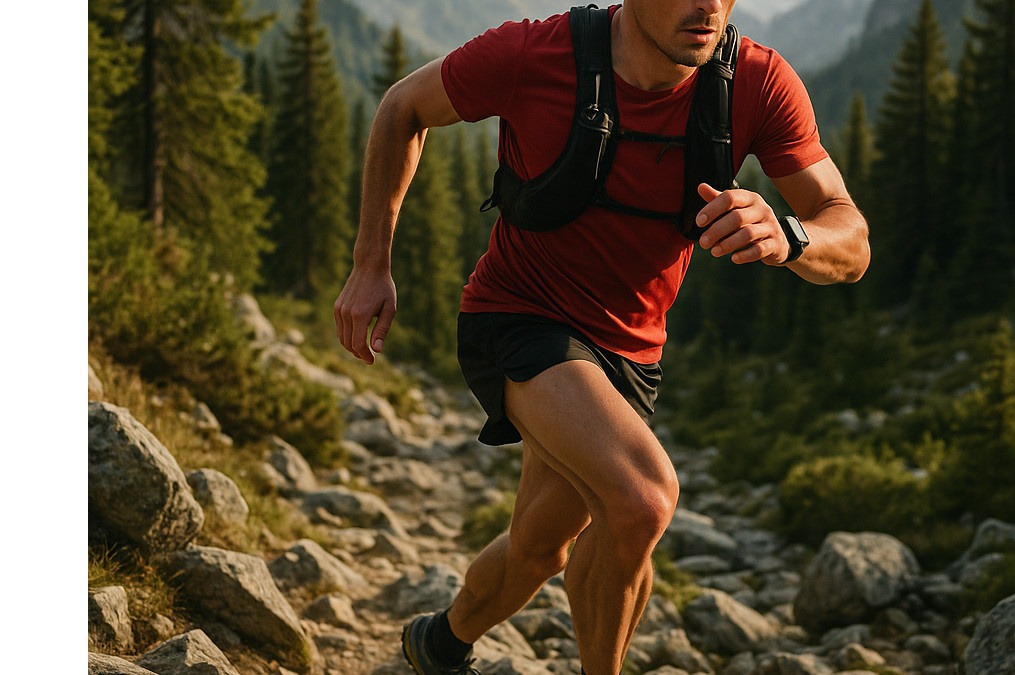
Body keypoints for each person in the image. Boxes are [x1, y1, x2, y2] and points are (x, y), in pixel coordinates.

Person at [334, 1, 870, 673]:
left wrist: (791, 234)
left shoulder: (757, 84)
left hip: (630, 355)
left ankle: (440, 642)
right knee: (641, 499)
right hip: (519, 315)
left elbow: (848, 235)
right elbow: (402, 106)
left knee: (539, 546)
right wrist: (370, 263)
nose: (708, 4)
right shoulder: (537, 55)